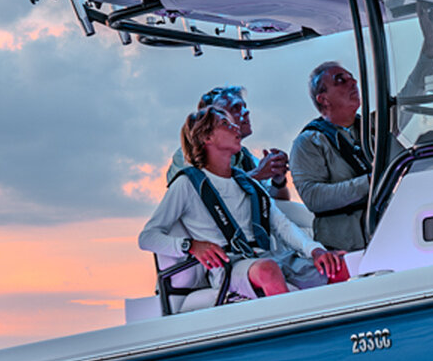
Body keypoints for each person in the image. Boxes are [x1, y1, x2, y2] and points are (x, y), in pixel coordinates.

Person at [138, 85, 343, 301]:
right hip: (230, 265)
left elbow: (281, 224)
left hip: (268, 256)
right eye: (226, 123)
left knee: (339, 264)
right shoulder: (187, 182)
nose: (236, 126)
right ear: (207, 137)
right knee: (268, 270)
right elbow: (147, 237)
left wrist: (315, 250)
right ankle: (294, 322)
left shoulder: (248, 180)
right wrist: (190, 246)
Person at [287, 61, 372, 253]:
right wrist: (371, 182)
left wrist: (430, 53)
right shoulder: (308, 143)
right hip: (348, 250)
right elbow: (313, 197)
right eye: (340, 80)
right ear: (323, 99)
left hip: (392, 232)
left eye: (352, 78)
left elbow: (412, 94)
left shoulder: (374, 127)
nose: (353, 83)